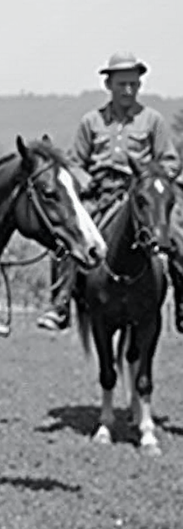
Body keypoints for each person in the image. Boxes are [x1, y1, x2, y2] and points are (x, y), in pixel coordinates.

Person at [37, 52, 182, 331]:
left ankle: (182, 305)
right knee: (67, 240)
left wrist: (151, 178)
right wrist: (84, 179)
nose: (128, 90)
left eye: (133, 84)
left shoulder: (152, 120)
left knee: (176, 238)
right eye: (122, 84)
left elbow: (170, 161)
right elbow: (75, 162)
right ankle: (60, 304)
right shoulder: (91, 121)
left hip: (141, 196)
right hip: (100, 194)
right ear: (108, 85)